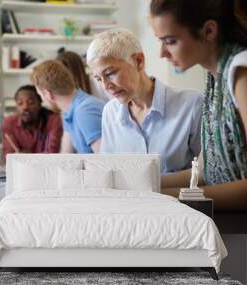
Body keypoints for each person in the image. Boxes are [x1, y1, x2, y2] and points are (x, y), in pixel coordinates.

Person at [150, 0, 247, 210]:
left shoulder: (241, 72)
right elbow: (205, 171)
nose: (162, 53)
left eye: (170, 41)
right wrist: (139, 185)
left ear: (209, 31)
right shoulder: (214, 80)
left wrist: (164, 197)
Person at [86, 28, 203, 174]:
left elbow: (209, 173)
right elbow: (108, 171)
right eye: (98, 79)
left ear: (138, 61)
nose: (105, 86)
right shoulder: (110, 111)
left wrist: (148, 185)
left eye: (110, 73)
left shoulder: (192, 105)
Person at [31, 60, 104, 153]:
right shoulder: (69, 111)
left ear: (47, 94)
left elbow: (106, 162)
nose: (42, 101)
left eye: (40, 95)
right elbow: (66, 155)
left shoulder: (85, 112)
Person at [2, 85, 62, 159]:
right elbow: (9, 155)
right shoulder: (10, 122)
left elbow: (52, 153)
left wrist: (28, 157)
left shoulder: (54, 120)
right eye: (20, 103)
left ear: (40, 104)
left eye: (31, 102)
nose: (25, 107)